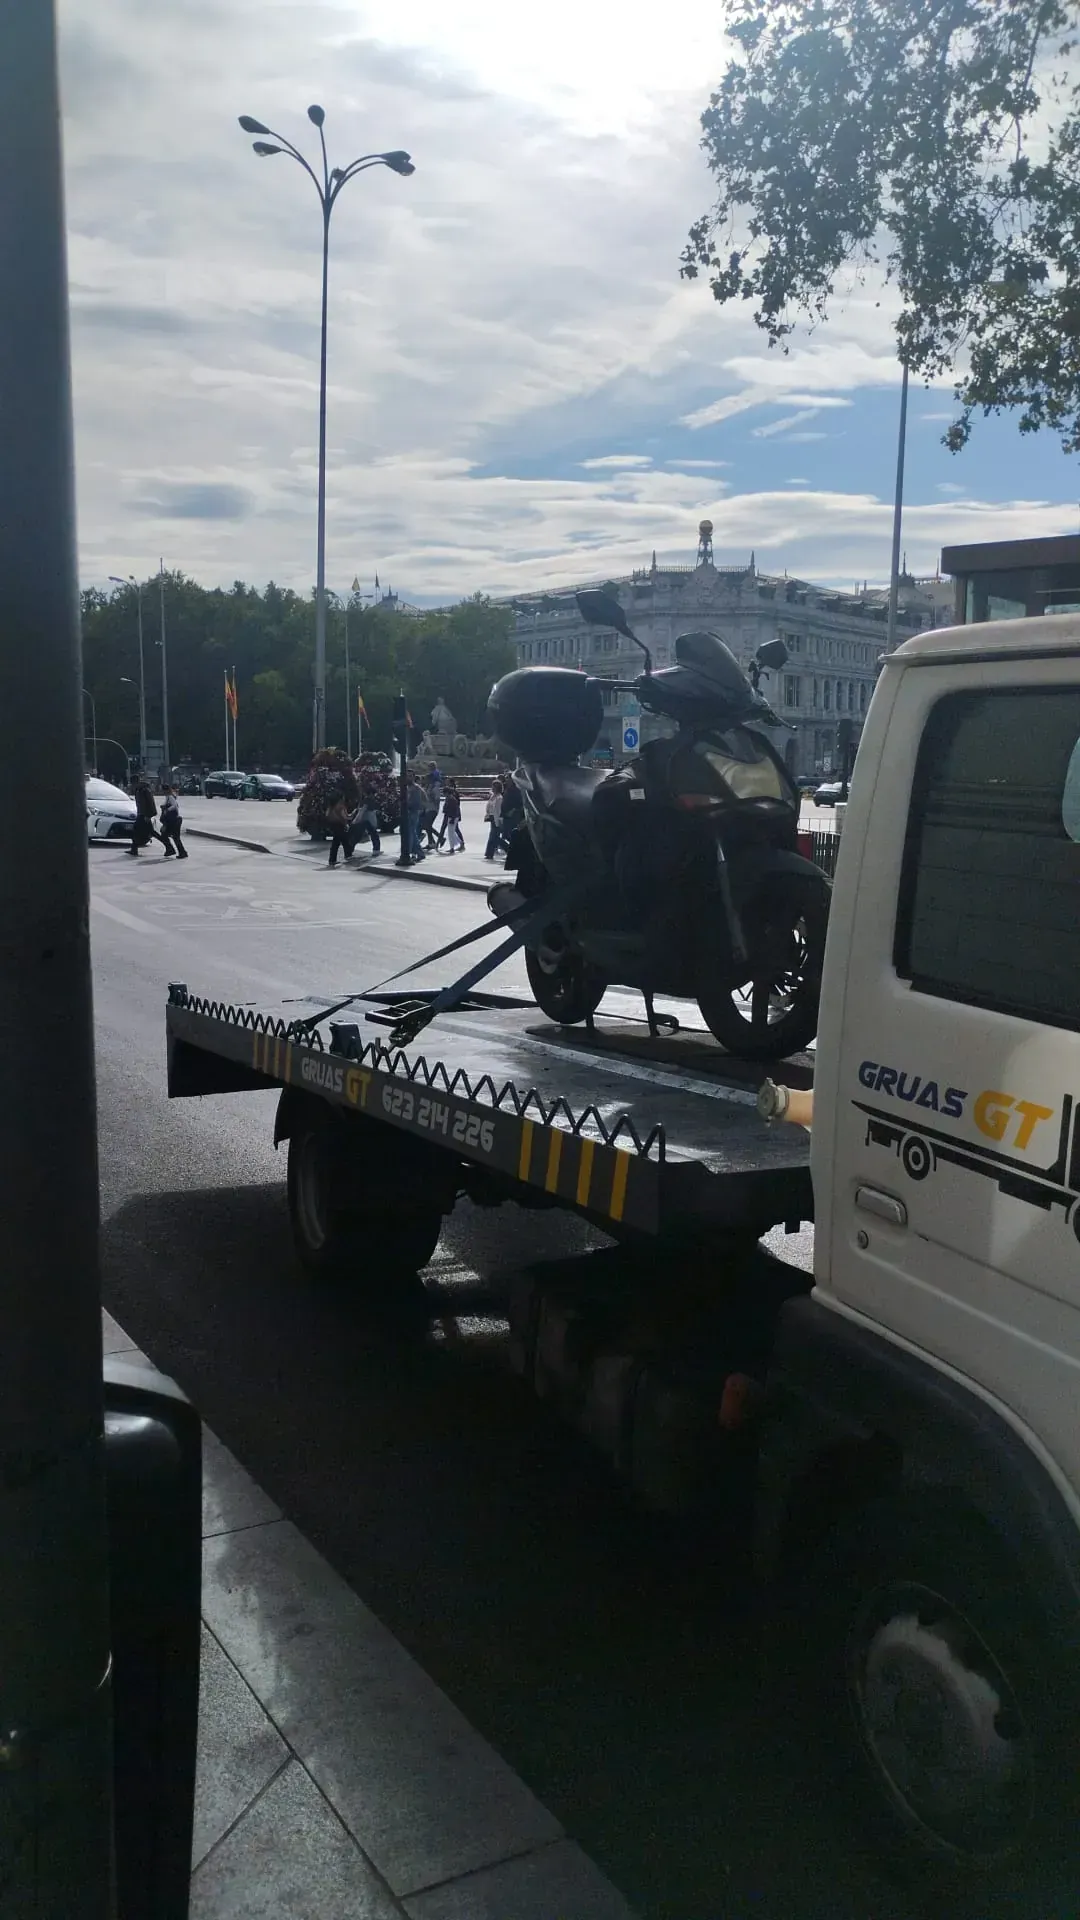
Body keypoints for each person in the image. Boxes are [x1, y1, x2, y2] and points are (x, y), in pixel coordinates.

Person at [129, 776, 162, 856]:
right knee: (138, 831)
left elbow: (151, 803)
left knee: (147, 831)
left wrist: (148, 815)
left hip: (145, 815)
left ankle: (169, 846)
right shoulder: (138, 790)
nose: (131, 786)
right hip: (141, 814)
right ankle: (134, 849)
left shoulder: (144, 790)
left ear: (135, 782)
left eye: (132, 784)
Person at [159, 786, 188, 859]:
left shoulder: (170, 797)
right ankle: (174, 850)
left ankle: (180, 852)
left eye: (163, 790)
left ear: (166, 790)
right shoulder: (168, 797)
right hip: (170, 821)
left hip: (174, 821)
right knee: (166, 835)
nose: (162, 792)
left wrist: (167, 810)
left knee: (174, 837)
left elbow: (174, 806)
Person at [326, 792, 352, 868]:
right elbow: (345, 816)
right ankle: (348, 856)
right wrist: (352, 816)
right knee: (343, 841)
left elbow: (327, 815)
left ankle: (333, 859)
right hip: (339, 825)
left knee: (337, 842)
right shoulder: (340, 806)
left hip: (333, 824)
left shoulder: (331, 806)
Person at [405, 772, 427, 860]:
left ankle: (412, 853)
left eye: (410, 776)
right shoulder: (408, 787)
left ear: (414, 777)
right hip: (408, 813)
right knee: (412, 833)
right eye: (407, 776)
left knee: (411, 833)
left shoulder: (416, 788)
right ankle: (419, 853)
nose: (408, 778)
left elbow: (416, 803)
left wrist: (407, 805)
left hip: (413, 813)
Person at [441, 780, 465, 854]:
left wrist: (453, 818)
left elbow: (455, 809)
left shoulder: (451, 799)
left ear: (447, 793)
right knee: (452, 832)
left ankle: (453, 847)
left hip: (452, 817)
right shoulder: (450, 798)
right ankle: (459, 843)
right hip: (451, 816)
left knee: (451, 833)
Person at [483, 779, 504, 860]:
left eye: (493, 786)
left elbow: (499, 810)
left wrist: (499, 820)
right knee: (493, 836)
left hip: (496, 818)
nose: (492, 788)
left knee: (494, 836)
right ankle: (489, 853)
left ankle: (490, 853)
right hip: (491, 818)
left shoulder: (499, 798)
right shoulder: (493, 796)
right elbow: (489, 806)